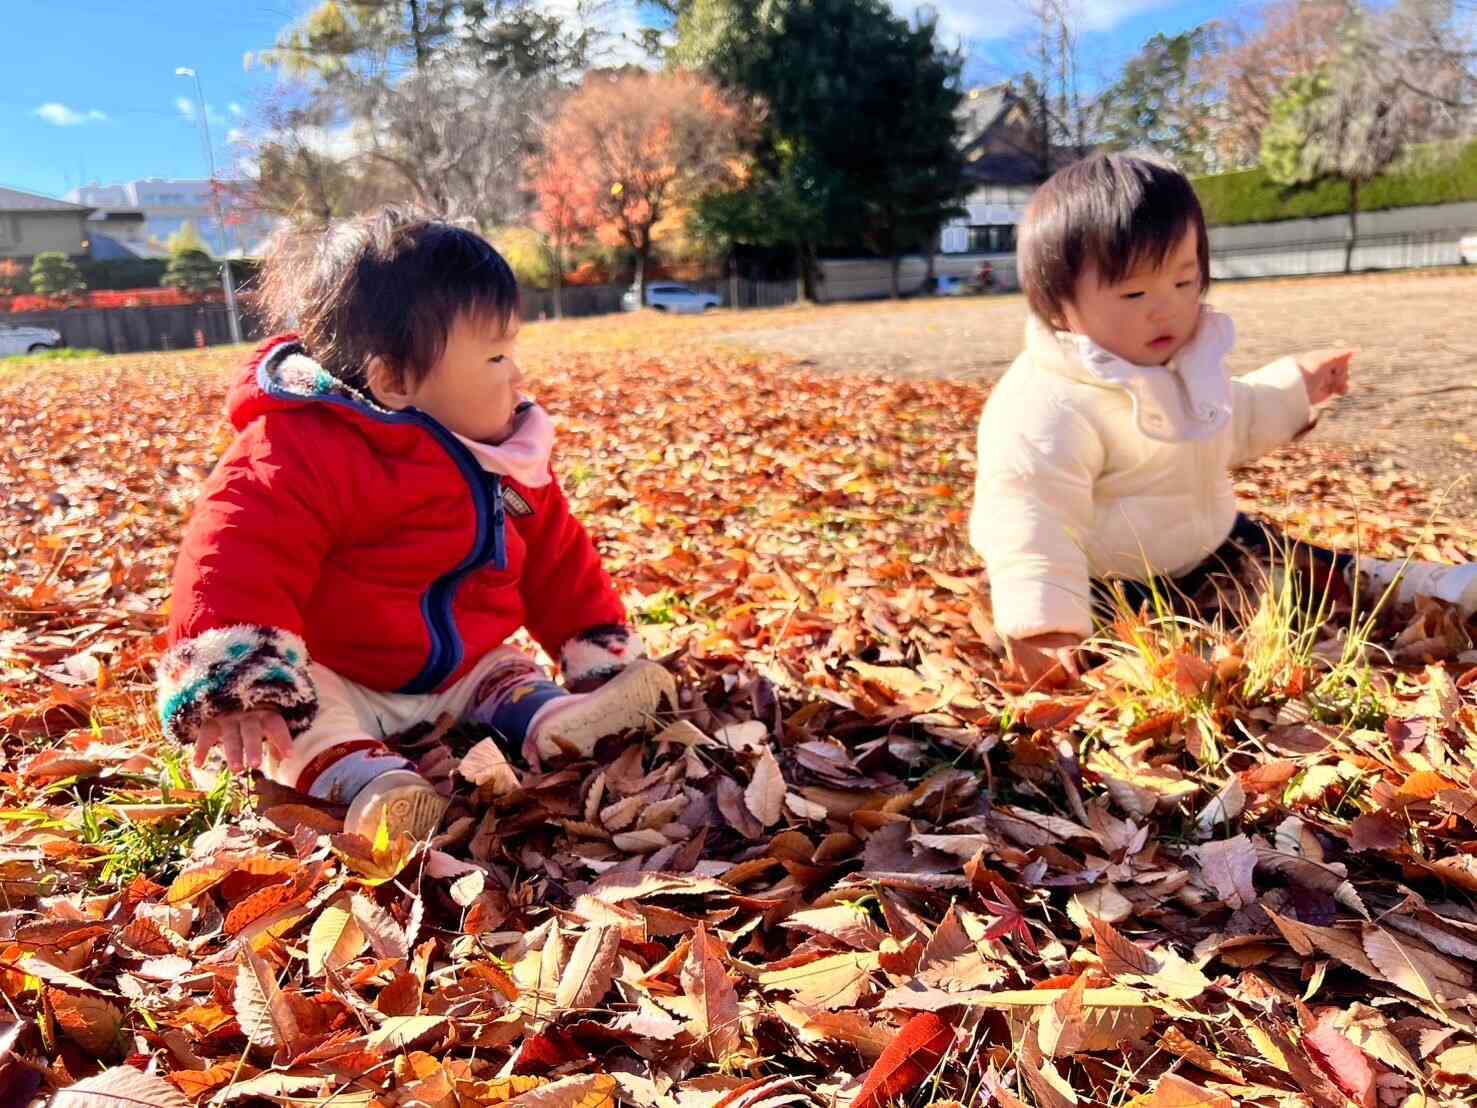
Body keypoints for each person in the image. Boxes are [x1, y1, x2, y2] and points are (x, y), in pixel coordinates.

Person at [157, 208, 675, 840]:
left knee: (505, 669)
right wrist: (240, 688)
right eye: (495, 356)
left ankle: (559, 720)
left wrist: (598, 648)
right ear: (394, 379)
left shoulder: (506, 456)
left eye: (513, 352)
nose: (517, 376)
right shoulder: (303, 447)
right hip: (344, 670)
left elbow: (559, 559)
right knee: (303, 717)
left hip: (463, 666)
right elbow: (234, 553)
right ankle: (364, 780)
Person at [970, 152, 1477, 687]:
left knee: (1309, 568)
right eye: (1135, 292)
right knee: (1160, 649)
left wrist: (1297, 388)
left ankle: (1433, 589)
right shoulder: (1046, 405)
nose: (1165, 308)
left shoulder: (1181, 363)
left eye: (1185, 282)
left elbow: (1233, 417)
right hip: (1111, 582)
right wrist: (1044, 628)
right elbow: (1031, 519)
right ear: (1058, 304)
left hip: (1212, 542)